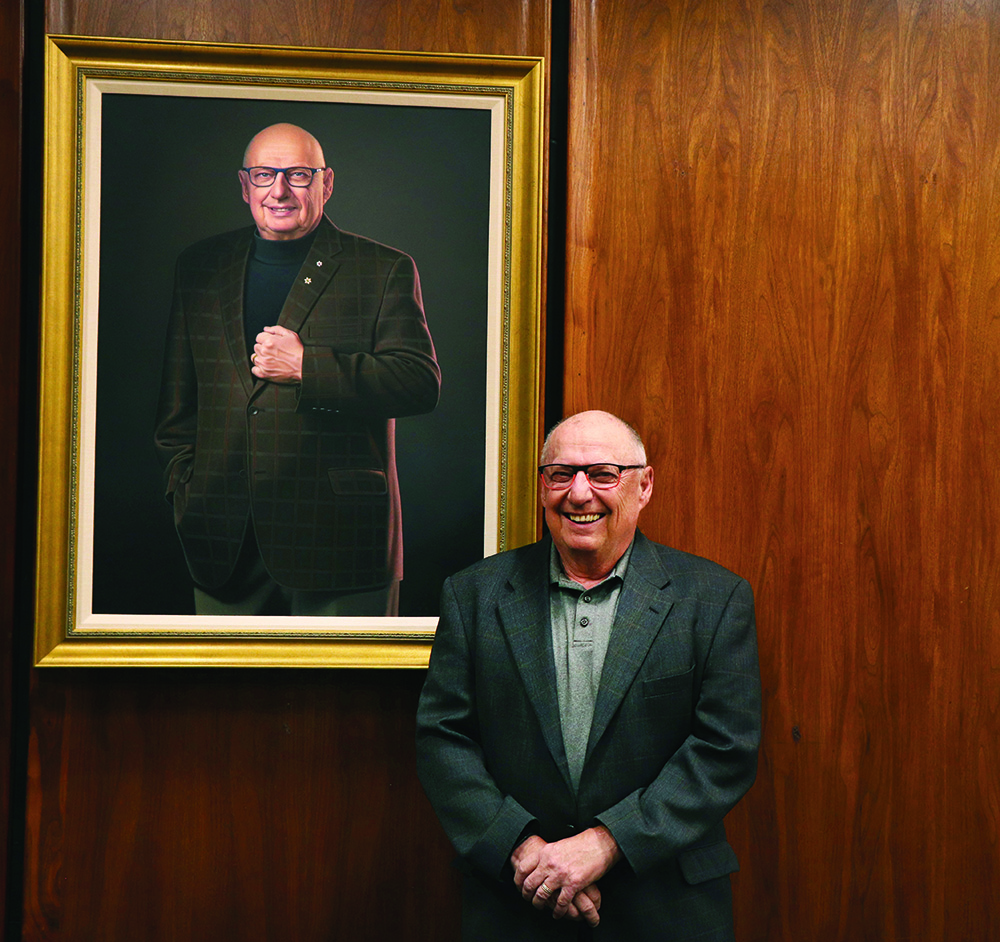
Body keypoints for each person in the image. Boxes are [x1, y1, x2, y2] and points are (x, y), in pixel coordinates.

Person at [416, 410, 760, 940]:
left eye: (603, 474)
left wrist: (606, 844)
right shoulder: (473, 595)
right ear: (542, 487)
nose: (579, 494)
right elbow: (443, 740)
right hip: (517, 903)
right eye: (561, 474)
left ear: (644, 486)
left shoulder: (715, 598)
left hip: (666, 908)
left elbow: (725, 748)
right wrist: (523, 853)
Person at [154, 123, 440, 616]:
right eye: (264, 175)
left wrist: (309, 367)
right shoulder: (200, 267)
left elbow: (419, 384)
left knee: (349, 673)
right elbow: (176, 408)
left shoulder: (383, 268)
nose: (280, 190)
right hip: (221, 543)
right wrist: (186, 489)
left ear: (326, 184)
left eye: (299, 175)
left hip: (342, 543)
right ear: (245, 185)